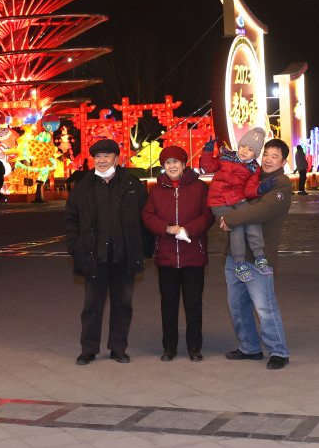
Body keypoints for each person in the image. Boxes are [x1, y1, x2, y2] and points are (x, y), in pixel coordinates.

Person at [64, 138, 148, 364]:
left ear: (116, 159)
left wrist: (143, 249)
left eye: (106, 156)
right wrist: (75, 248)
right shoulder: (83, 188)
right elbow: (71, 220)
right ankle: (88, 349)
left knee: (123, 305)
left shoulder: (132, 185)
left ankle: (118, 348)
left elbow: (145, 218)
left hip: (124, 257)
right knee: (92, 306)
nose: (102, 160)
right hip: (94, 257)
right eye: (98, 157)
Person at [219, 138, 294, 370]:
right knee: (237, 305)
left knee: (265, 306)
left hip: (260, 256)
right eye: (267, 154)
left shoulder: (281, 185)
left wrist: (230, 218)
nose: (269, 160)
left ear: (283, 161)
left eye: (275, 156)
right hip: (236, 254)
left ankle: (279, 351)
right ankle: (249, 347)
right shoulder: (251, 176)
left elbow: (262, 210)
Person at [142, 145, 213, 362]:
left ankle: (194, 346)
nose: (172, 166)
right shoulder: (156, 190)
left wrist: (188, 229)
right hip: (167, 256)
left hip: (193, 255)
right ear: (163, 166)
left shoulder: (199, 187)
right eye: (167, 162)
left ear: (184, 165)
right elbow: (147, 216)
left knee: (193, 303)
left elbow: (208, 214)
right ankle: (169, 347)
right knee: (168, 304)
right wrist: (167, 228)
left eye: (176, 162)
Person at [200, 127, 267, 283]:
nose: (244, 151)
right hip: (218, 200)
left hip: (237, 199)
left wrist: (259, 189)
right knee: (234, 224)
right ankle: (239, 264)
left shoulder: (254, 168)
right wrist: (208, 151)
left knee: (252, 218)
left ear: (255, 154)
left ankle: (260, 256)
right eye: (243, 146)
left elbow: (249, 190)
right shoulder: (226, 156)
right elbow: (208, 167)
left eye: (250, 150)